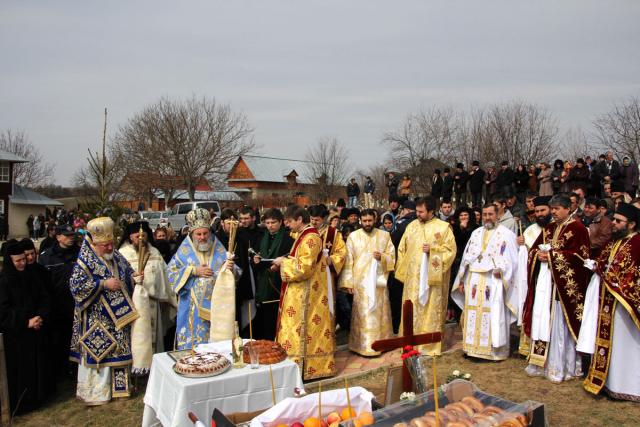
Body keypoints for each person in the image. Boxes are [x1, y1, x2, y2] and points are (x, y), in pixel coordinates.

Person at [69, 217, 142, 405]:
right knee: (100, 353)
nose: (110, 248)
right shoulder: (84, 260)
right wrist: (102, 284)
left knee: (118, 352)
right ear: (94, 243)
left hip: (118, 318)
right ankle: (96, 393)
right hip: (96, 318)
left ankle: (119, 390)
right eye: (105, 245)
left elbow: (126, 271)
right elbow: (76, 287)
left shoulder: (114, 254)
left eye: (111, 244)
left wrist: (135, 277)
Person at [522, 194, 591, 383]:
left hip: (563, 290)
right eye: (552, 209)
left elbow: (581, 257)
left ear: (568, 209)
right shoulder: (550, 228)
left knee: (561, 325)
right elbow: (533, 250)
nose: (553, 212)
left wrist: (552, 257)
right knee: (545, 321)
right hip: (547, 285)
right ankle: (542, 362)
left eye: (557, 208)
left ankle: (563, 366)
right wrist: (539, 255)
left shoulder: (578, 229)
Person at [581, 203, 640, 401]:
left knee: (627, 345)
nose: (613, 224)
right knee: (612, 344)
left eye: (618, 221)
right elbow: (607, 264)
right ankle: (611, 383)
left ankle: (631, 386)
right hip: (608, 302)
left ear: (631, 224)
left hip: (625, 305)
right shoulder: (615, 242)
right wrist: (596, 266)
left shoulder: (637, 243)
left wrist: (615, 281)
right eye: (613, 220)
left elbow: (633, 275)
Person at [273, 206, 335, 380]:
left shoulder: (311, 238)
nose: (287, 226)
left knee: (303, 329)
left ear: (300, 219)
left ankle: (307, 368)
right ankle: (294, 367)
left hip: (306, 294)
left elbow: (304, 268)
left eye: (289, 222)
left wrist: (283, 262)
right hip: (299, 292)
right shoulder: (303, 235)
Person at [452, 204, 518, 360]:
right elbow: (466, 259)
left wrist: (502, 270)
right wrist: (461, 279)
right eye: (485, 214)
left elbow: (513, 261)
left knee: (492, 314)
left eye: (490, 214)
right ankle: (472, 349)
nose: (487, 217)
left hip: (493, 281)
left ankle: (492, 352)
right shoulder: (476, 233)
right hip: (474, 279)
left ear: (498, 215)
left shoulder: (507, 235)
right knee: (473, 313)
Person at [395, 196, 456, 355]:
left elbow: (450, 252)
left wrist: (433, 251)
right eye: (417, 211)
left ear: (431, 211)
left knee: (430, 310)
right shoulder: (411, 226)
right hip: (412, 280)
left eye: (421, 211)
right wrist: (404, 273)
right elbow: (402, 249)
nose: (418, 214)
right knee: (411, 308)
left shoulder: (444, 228)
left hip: (432, 281)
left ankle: (429, 346)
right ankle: (409, 343)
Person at [0, 240, 54, 413]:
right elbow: (4, 311)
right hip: (16, 337)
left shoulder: (32, 275)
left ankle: (38, 398)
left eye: (24, 259)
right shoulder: (4, 281)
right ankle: (22, 403)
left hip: (36, 330)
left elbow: (44, 297)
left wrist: (39, 316)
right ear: (10, 261)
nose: (23, 263)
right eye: (19, 261)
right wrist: (26, 322)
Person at [168, 208, 231, 350]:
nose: (202, 237)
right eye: (198, 234)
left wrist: (229, 270)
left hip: (216, 306)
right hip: (192, 308)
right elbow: (171, 273)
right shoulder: (184, 249)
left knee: (215, 349)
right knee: (192, 349)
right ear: (191, 233)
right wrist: (193, 270)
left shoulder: (217, 245)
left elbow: (233, 273)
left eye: (205, 233)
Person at [118, 222, 176, 375]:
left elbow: (165, 276)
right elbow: (118, 278)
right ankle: (135, 367)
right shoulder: (122, 254)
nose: (141, 239)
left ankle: (153, 369)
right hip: (132, 305)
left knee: (154, 338)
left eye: (144, 236)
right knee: (136, 337)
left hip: (153, 303)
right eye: (137, 236)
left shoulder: (154, 252)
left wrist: (167, 297)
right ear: (130, 237)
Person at [338, 209, 395, 356]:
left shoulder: (384, 235)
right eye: (364, 221)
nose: (367, 224)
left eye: (370, 221)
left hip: (378, 283)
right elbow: (348, 261)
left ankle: (382, 343)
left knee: (379, 313)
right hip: (360, 284)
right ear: (360, 221)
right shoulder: (353, 237)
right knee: (363, 314)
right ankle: (363, 345)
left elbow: (392, 257)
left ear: (375, 219)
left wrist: (382, 257)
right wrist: (348, 283)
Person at [38, 224, 79, 379]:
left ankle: (74, 370)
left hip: (77, 304)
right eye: (67, 235)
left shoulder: (80, 253)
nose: (71, 238)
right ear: (58, 237)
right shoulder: (46, 256)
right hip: (57, 306)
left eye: (72, 235)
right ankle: (60, 371)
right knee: (59, 340)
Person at [516, 196, 552, 356]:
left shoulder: (556, 229)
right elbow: (523, 258)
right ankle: (529, 347)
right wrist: (521, 246)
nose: (539, 214)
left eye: (542, 210)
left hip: (552, 279)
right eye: (537, 211)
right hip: (534, 278)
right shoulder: (529, 231)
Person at [251, 208, 294, 340]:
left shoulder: (288, 239)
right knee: (263, 319)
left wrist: (281, 264)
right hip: (263, 284)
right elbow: (256, 259)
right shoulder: (260, 237)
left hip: (278, 284)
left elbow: (292, 259)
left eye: (273, 222)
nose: (270, 225)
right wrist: (256, 261)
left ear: (281, 222)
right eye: (267, 223)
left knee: (276, 319)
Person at [309, 205, 348, 330]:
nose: (314, 222)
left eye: (317, 220)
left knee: (325, 306)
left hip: (326, 276)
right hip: (309, 275)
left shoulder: (333, 233)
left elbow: (342, 253)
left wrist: (332, 260)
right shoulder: (305, 231)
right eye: (312, 219)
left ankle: (326, 335)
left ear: (324, 218)